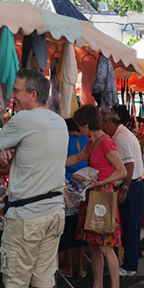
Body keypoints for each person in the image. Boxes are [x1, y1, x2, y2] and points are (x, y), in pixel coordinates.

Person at [0, 69, 68, 288]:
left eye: (18, 91)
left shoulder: (22, 120)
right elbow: (35, 152)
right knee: (45, 280)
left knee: (15, 281)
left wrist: (3, 139)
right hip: (54, 212)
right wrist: (16, 148)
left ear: (33, 94)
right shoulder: (59, 122)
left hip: (26, 214)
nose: (13, 96)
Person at [67, 105, 127, 288]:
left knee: (105, 246)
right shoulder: (93, 142)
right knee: (93, 244)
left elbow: (121, 171)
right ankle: (98, 287)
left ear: (86, 124)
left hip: (102, 198)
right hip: (93, 196)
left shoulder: (105, 143)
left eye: (79, 126)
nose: (79, 130)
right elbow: (78, 158)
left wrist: (99, 182)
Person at [101, 111, 144, 277]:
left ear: (110, 122)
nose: (103, 129)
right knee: (131, 227)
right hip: (135, 186)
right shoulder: (125, 134)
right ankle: (130, 263)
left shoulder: (120, 137)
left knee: (130, 228)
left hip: (131, 187)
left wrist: (124, 189)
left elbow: (129, 165)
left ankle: (130, 266)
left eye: (103, 125)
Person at [62, 117, 89, 278]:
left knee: (69, 227)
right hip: (84, 183)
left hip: (68, 184)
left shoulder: (64, 141)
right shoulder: (86, 140)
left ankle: (69, 268)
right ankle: (80, 268)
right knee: (81, 226)